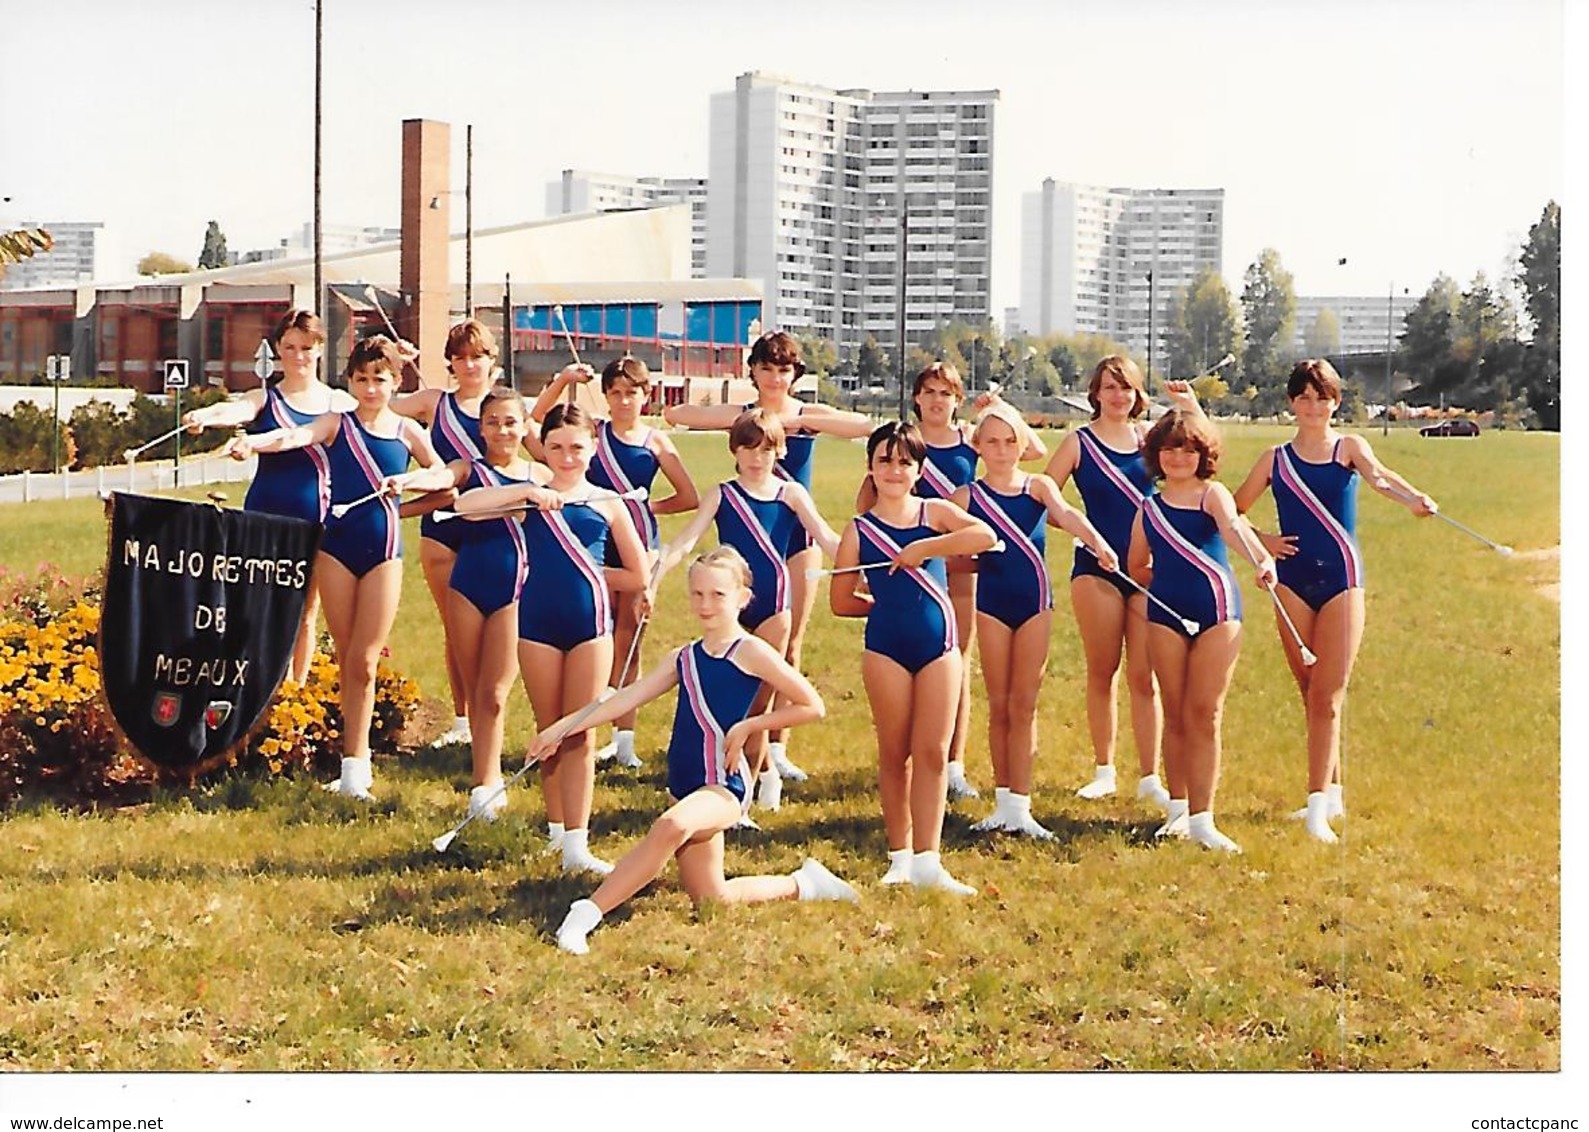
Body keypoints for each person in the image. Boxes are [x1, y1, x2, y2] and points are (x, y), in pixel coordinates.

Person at [545, 546, 859, 955]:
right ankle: (806, 882)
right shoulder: (684, 657)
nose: (706, 604)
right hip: (684, 783)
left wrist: (751, 725)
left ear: (742, 598)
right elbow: (623, 700)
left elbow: (812, 705)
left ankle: (584, 915)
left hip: (723, 785)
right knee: (714, 900)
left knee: (669, 828)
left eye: (718, 595)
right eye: (697, 594)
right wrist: (560, 729)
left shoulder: (750, 651)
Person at [224, 335, 454, 798]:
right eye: (362, 379)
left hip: (383, 550)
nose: (371, 389)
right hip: (336, 548)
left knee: (365, 661)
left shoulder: (408, 432)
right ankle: (350, 767)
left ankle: (359, 767)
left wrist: (407, 489)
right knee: (349, 657)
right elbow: (294, 436)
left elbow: (446, 480)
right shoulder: (337, 423)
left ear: (396, 382)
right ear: (350, 381)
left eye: (381, 379)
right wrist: (252, 444)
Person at [1232, 359, 1436, 842]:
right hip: (1290, 582)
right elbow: (1231, 511)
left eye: (1321, 397)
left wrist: (1414, 499)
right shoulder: (1273, 459)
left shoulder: (1349, 446)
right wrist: (1264, 541)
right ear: (1290, 403)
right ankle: (1332, 792)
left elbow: (1380, 476)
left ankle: (1315, 810)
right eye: (1303, 397)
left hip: (1343, 579)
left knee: (1327, 695)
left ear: (1335, 402)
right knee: (1311, 692)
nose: (1312, 406)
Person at [664, 330, 871, 788]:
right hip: (745, 531)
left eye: (784, 371)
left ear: (794, 375)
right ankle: (751, 754)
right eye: (767, 369)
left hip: (794, 535)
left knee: (789, 644)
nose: (775, 378)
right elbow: (676, 413)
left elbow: (862, 426)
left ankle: (776, 749)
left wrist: (794, 424)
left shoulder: (804, 415)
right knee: (747, 654)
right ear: (753, 371)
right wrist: (744, 422)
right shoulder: (744, 423)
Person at [457, 403, 650, 874]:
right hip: (537, 627)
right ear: (542, 447)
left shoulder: (609, 501)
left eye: (577, 448)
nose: (567, 458)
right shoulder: (530, 497)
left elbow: (638, 573)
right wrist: (524, 490)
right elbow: (464, 507)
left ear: (594, 448)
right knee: (549, 731)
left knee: (579, 732)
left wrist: (590, 573)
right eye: (556, 447)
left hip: (591, 627)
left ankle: (578, 845)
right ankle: (557, 832)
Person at [867, 362, 1046, 802]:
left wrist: (998, 408)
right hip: (913, 569)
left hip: (961, 566)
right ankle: (919, 756)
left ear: (957, 400)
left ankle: (953, 762)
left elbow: (1033, 449)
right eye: (928, 392)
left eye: (945, 393)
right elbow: (869, 500)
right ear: (915, 398)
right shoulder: (902, 445)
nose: (936, 401)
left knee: (956, 661)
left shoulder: (971, 439)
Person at [830, 421, 997, 893]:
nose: (894, 470)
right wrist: (886, 607)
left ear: (919, 469)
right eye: (884, 460)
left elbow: (983, 536)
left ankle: (929, 859)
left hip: (940, 648)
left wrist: (927, 547)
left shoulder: (935, 512)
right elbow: (841, 601)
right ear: (870, 467)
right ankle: (899, 856)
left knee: (932, 752)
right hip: (886, 649)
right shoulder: (859, 530)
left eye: (904, 461)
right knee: (895, 752)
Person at [649, 409, 840, 811]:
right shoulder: (723, 494)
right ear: (734, 450)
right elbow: (687, 540)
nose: (757, 458)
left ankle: (745, 795)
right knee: (730, 705)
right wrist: (657, 571)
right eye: (748, 449)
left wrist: (869, 561)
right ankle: (742, 782)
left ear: (780, 451)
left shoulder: (790, 494)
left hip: (774, 609)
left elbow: (825, 537)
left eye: (766, 449)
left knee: (759, 707)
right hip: (729, 611)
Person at [950, 402, 1116, 839]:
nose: (1001, 450)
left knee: (1024, 704)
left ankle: (1021, 806)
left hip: (1035, 605)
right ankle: (1002, 802)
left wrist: (1096, 541)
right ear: (978, 448)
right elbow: (943, 542)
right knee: (1000, 703)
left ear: (1022, 445)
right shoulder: (968, 496)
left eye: (1010, 441)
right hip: (991, 605)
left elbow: (1067, 515)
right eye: (992, 442)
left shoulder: (1038, 487)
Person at [1044, 355, 1203, 808]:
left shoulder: (1151, 440)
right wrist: (1084, 534)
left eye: (1127, 388)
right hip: (1097, 571)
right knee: (1103, 668)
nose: (1118, 396)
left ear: (1137, 395)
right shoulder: (1078, 443)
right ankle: (1104, 769)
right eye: (1110, 387)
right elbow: (1045, 496)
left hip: (1147, 571)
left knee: (1144, 675)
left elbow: (1200, 460)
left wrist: (1191, 406)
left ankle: (1150, 774)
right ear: (1095, 393)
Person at [534, 355, 700, 770]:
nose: (624, 401)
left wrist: (647, 509)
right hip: (588, 539)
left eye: (633, 393)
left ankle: (623, 737)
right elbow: (536, 421)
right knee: (596, 630)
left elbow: (688, 496)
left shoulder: (657, 441)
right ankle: (586, 717)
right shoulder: (591, 434)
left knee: (630, 639)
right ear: (605, 396)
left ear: (647, 395)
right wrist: (564, 379)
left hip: (636, 543)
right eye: (616, 393)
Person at [1126, 410, 1275, 853]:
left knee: (1204, 713)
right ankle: (1177, 809)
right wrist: (1169, 585)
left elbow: (1233, 529)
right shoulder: (1148, 508)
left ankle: (1204, 819)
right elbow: (1137, 565)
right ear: (1156, 454)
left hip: (1218, 613)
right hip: (1166, 615)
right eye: (1169, 448)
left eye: (1189, 449)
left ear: (1203, 455)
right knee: (1174, 711)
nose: (1178, 457)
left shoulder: (1213, 495)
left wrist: (1261, 561)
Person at [181, 308, 355, 684]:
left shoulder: (337, 404)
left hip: (315, 514)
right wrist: (204, 416)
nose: (298, 356)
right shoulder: (264, 397)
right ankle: (257, 684)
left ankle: (296, 689)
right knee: (255, 604)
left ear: (320, 349)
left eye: (306, 347)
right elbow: (235, 410)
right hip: (263, 512)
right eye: (289, 347)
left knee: (305, 609)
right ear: (277, 349)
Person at [385, 319, 526, 751]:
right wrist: (395, 361)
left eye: (478, 356)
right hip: (444, 525)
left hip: (498, 532)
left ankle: (490, 711)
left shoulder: (505, 409)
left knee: (499, 628)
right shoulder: (434, 401)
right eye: (460, 357)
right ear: (449, 362)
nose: (469, 365)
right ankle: (464, 720)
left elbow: (546, 451)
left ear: (492, 361)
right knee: (456, 629)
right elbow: (378, 404)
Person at [442, 388, 565, 821]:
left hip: (517, 590)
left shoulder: (544, 475)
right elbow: (462, 504)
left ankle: (488, 782)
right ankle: (483, 778)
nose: (502, 430)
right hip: (468, 585)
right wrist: (523, 496)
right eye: (493, 422)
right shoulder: (470, 469)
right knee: (475, 688)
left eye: (511, 422)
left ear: (525, 426)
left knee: (494, 694)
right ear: (481, 428)